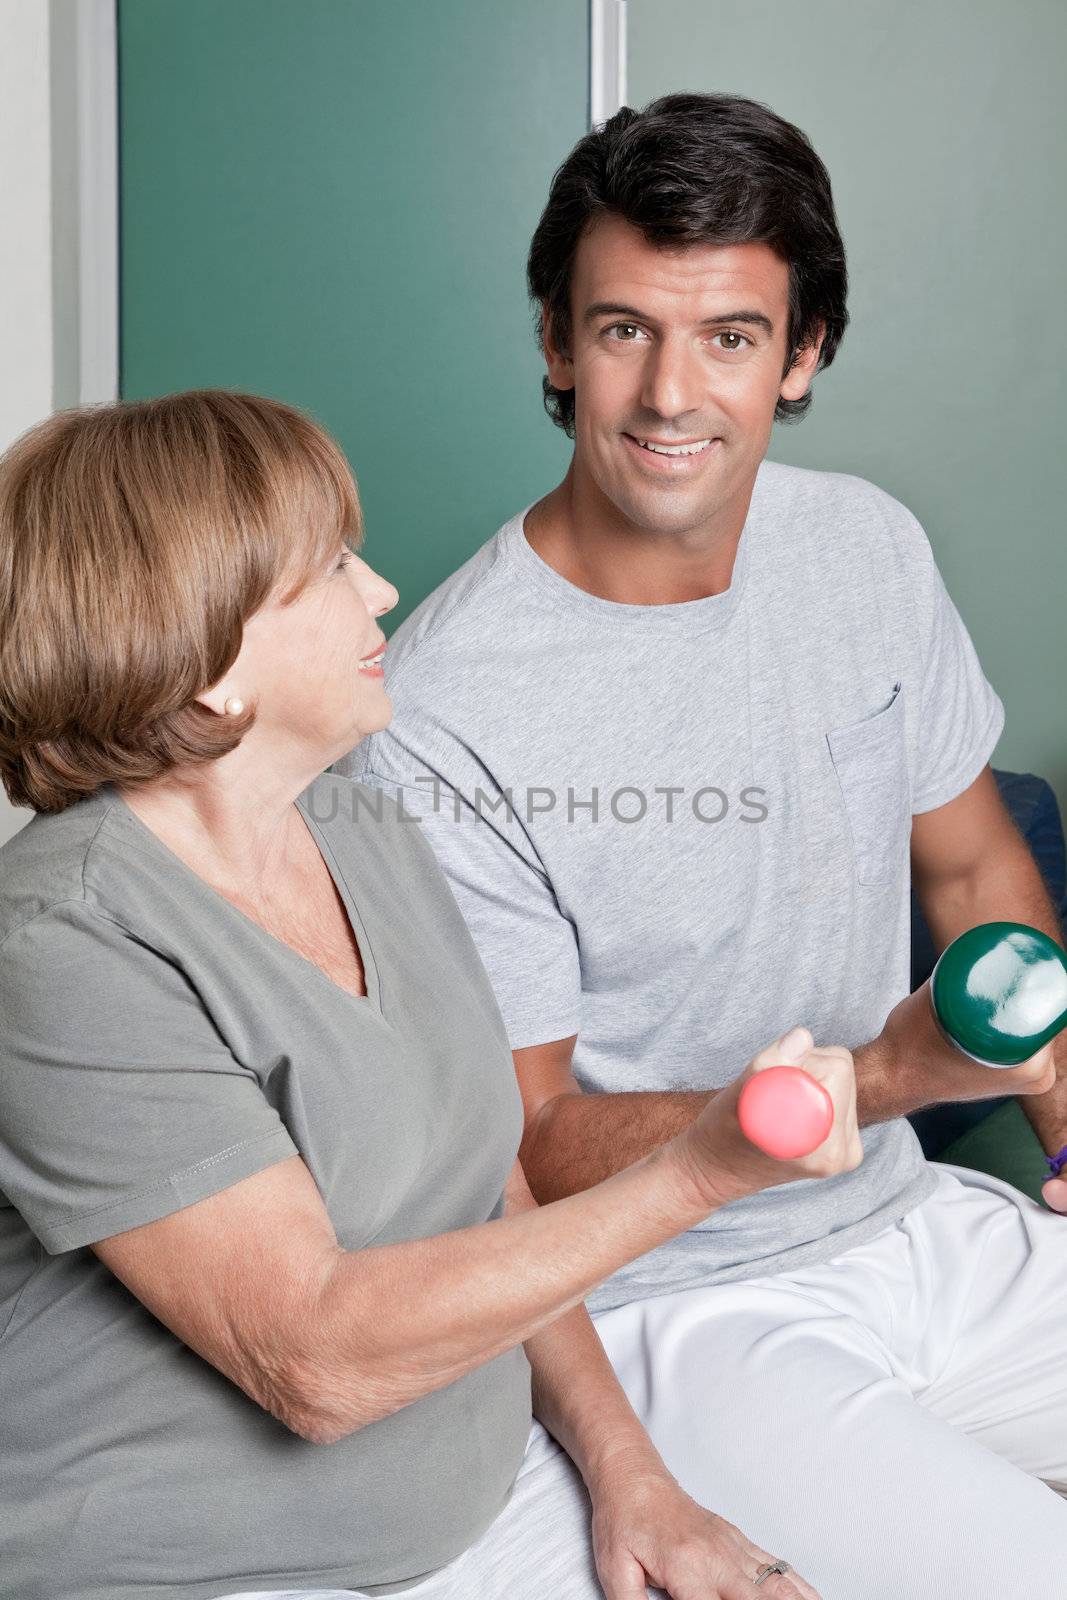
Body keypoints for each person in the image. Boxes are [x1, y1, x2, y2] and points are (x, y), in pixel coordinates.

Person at [337, 93, 1067, 1596]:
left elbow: (975, 872)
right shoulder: (434, 711)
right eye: (620, 332)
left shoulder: (864, 546)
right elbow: (523, 1139)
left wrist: (1054, 1089)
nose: (670, 394)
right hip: (686, 1306)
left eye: (729, 337)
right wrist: (890, 1078)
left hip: (920, 1223)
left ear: (800, 356)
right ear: (553, 342)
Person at [0, 388, 870, 1600]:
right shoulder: (61, 942)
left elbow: (490, 1193)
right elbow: (311, 1356)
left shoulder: (356, 813)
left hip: (474, 1513)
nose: (383, 593)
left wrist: (633, 1479)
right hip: (183, 1568)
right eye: (326, 572)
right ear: (201, 667)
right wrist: (702, 1170)